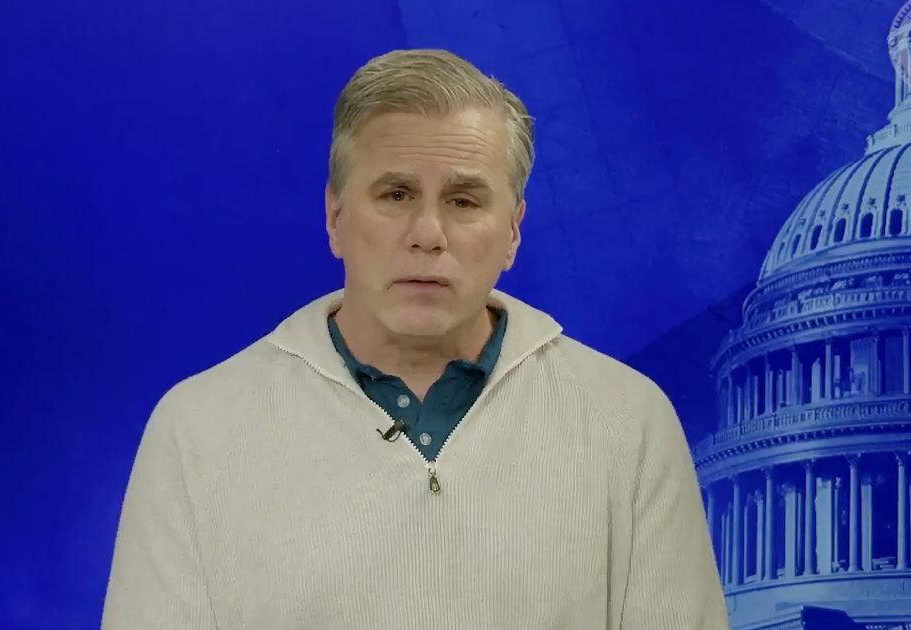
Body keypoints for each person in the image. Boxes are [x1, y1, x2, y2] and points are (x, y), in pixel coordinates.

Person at [100, 48, 727, 629]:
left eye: (464, 200)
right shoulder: (199, 430)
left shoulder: (627, 422)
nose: (428, 234)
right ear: (335, 217)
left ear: (513, 232)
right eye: (396, 194)